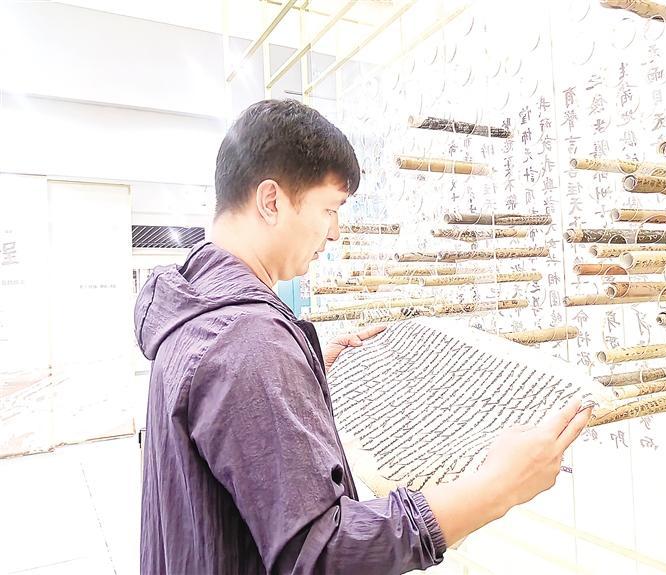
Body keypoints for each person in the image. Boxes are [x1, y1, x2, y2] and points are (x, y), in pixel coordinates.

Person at [135, 99, 592, 574]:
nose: (334, 233)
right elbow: (323, 554)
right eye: (329, 209)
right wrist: (498, 487)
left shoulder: (196, 306)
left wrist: (300, 374)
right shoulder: (247, 340)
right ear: (271, 201)